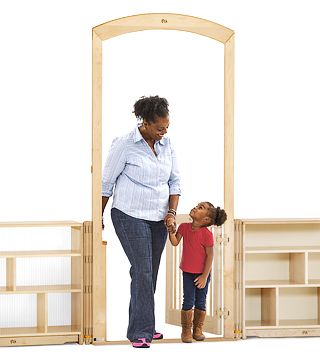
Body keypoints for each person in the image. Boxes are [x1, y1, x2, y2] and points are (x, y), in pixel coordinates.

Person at [101, 95, 181, 348]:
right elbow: (106, 184)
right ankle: (141, 331)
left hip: (158, 217)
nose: (164, 132)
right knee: (143, 270)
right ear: (144, 123)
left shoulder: (167, 145)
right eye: (159, 128)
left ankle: (142, 325)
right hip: (128, 214)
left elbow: (175, 182)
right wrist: (98, 217)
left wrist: (171, 212)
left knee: (148, 272)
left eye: (166, 127)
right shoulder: (124, 145)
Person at [167, 201, 227, 343]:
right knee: (188, 300)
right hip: (188, 272)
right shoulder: (184, 227)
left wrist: (204, 276)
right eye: (197, 205)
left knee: (201, 300)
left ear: (206, 219)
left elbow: (210, 255)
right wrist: (171, 232)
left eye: (200, 208)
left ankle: (198, 329)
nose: (195, 207)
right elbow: (175, 242)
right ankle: (186, 331)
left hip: (203, 274)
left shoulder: (207, 235)